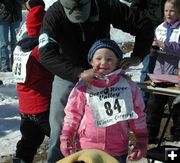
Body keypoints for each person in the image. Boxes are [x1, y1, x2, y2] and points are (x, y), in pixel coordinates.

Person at [38, 0, 154, 162]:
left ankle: (113, 154)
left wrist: (138, 55)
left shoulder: (105, 5)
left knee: (113, 125)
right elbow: (45, 53)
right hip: (69, 72)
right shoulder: (54, 13)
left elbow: (144, 24)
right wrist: (77, 73)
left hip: (106, 74)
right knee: (59, 127)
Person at [60, 39, 148, 163]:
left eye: (109, 59)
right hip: (87, 148)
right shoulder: (84, 86)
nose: (103, 63)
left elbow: (138, 115)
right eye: (98, 58)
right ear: (91, 61)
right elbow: (72, 113)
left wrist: (141, 140)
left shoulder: (128, 86)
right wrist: (66, 137)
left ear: (118, 62)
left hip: (117, 150)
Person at [12, 1, 54, 162]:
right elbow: (54, 67)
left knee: (29, 140)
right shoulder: (40, 50)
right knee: (62, 137)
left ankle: (20, 159)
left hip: (25, 108)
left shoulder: (20, 48)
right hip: (42, 106)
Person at [145, 0, 180, 144]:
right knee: (154, 106)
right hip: (159, 73)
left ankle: (176, 136)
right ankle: (149, 135)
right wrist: (152, 50)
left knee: (176, 107)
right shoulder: (159, 28)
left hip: (175, 74)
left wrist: (164, 45)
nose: (168, 14)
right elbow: (154, 52)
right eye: (166, 11)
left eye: (172, 10)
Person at [0, 0, 27, 72]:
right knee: (3, 43)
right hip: (2, 15)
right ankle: (5, 67)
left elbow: (24, 1)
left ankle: (15, 64)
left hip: (16, 15)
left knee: (16, 43)